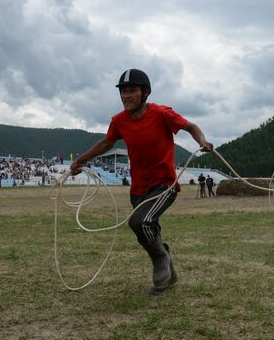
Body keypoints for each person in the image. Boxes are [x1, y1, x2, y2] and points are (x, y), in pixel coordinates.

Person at [70, 68, 213, 294]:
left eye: (132, 91)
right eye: (123, 91)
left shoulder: (162, 114)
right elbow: (107, 143)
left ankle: (160, 259)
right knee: (148, 227)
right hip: (138, 189)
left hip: (164, 186)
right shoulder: (118, 121)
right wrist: (81, 160)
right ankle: (169, 272)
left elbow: (190, 127)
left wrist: (202, 140)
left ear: (145, 92)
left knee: (139, 222)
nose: (126, 96)